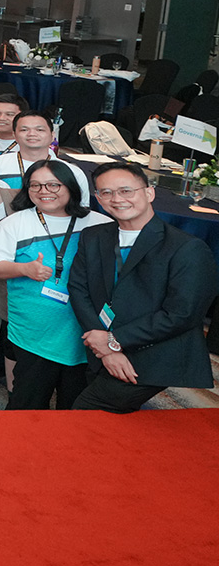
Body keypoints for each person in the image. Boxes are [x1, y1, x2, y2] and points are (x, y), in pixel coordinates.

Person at [69, 163, 219, 412]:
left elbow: (182, 314)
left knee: (87, 409)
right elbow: (78, 289)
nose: (117, 199)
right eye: (106, 193)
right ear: (98, 198)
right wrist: (104, 345)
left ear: (149, 193)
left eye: (126, 190)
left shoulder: (186, 248)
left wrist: (114, 341)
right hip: (102, 342)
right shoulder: (94, 236)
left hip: (155, 349)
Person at [0, 160, 111, 409]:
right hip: (33, 333)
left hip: (83, 331)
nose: (44, 191)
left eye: (53, 184)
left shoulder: (99, 224)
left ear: (71, 187)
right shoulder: (15, 223)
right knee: (27, 405)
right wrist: (24, 269)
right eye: (35, 185)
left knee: (75, 407)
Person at [0, 111, 91, 203]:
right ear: (14, 135)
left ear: (52, 136)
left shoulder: (72, 171)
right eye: (24, 130)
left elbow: (82, 206)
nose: (32, 134)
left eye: (40, 130)